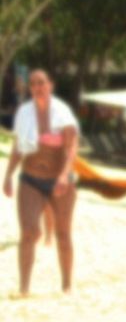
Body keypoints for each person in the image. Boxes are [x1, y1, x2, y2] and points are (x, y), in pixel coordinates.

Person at [4, 67, 78, 295]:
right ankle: (24, 288)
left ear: (50, 85)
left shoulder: (63, 112)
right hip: (31, 178)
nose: (38, 87)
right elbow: (18, 147)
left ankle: (66, 285)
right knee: (27, 232)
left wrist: (64, 175)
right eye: (33, 84)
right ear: (30, 89)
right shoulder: (24, 112)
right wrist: (8, 175)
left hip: (59, 179)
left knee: (63, 234)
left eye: (42, 82)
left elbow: (71, 147)